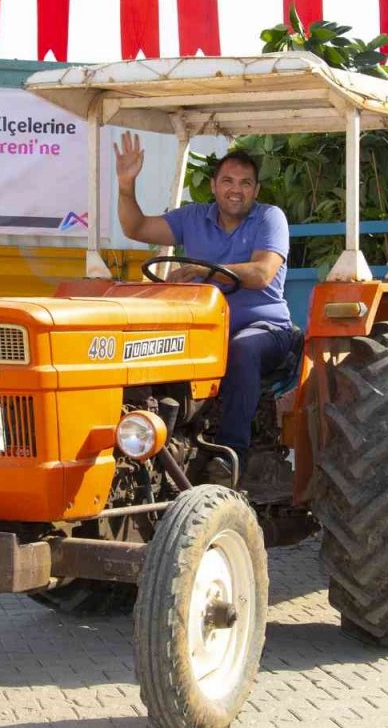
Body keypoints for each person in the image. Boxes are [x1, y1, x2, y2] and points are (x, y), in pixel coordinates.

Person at [114, 131, 300, 486]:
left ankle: (231, 456)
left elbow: (261, 273)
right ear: (214, 185)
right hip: (200, 334)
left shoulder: (269, 219)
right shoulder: (193, 217)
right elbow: (137, 227)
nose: (236, 188)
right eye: (228, 180)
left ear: (256, 190)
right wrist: (126, 186)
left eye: (246, 183)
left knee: (242, 348)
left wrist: (203, 270)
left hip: (266, 332)